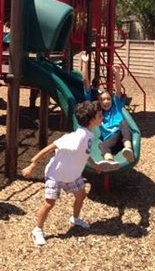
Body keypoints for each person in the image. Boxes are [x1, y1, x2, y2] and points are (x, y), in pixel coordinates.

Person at [21, 101, 108, 247]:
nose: (102, 117)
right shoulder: (75, 137)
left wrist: (95, 165)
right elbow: (49, 148)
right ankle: (37, 229)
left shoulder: (89, 136)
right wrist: (32, 165)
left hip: (72, 175)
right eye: (99, 115)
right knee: (49, 204)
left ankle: (75, 218)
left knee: (81, 196)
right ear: (91, 119)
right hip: (56, 175)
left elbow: (85, 154)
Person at [81, 53, 134, 165]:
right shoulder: (97, 112)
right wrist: (85, 63)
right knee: (102, 145)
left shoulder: (116, 108)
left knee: (123, 124)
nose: (106, 102)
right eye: (103, 100)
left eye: (108, 99)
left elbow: (118, 91)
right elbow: (86, 84)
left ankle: (128, 148)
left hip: (123, 137)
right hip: (111, 142)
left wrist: (117, 74)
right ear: (99, 102)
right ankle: (109, 161)